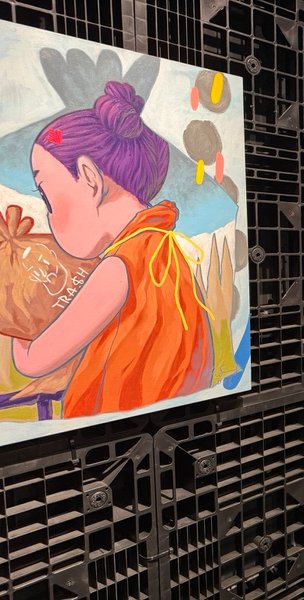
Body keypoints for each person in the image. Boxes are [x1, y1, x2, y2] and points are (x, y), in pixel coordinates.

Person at [11, 81, 213, 418]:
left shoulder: (120, 266)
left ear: (89, 178)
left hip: (116, 427)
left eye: (46, 194)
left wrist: (10, 304)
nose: (47, 214)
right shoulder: (162, 246)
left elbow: (32, 361)